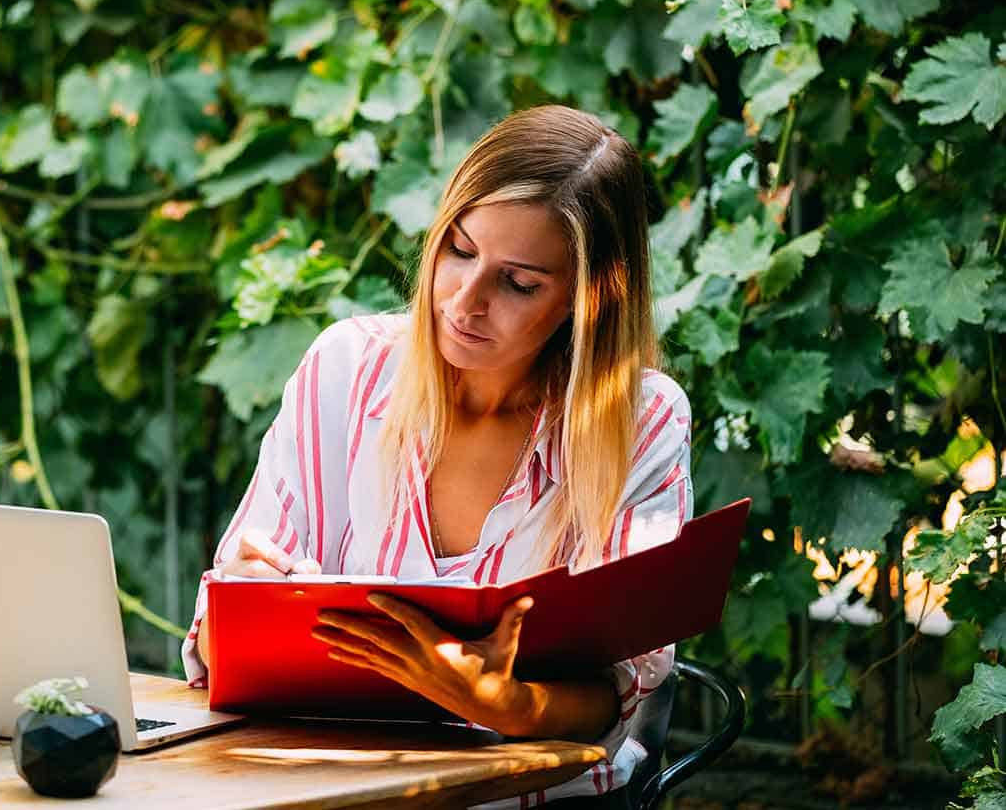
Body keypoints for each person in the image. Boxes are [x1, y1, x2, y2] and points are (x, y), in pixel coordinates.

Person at [183, 104, 692, 809]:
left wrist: (504, 702)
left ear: (590, 296)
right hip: (336, 793)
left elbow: (617, 695)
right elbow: (220, 649)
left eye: (519, 283)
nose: (465, 299)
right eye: (458, 249)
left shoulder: (638, 420)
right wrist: (234, 616)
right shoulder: (348, 368)